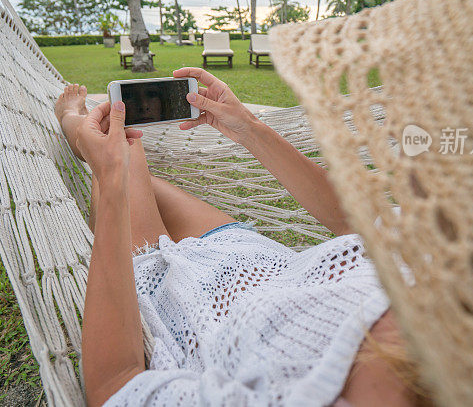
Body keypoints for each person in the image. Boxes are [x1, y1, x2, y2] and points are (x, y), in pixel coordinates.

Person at [54, 68, 426, 407]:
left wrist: (113, 176)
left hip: (175, 300)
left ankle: (75, 125)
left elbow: (115, 388)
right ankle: (89, 145)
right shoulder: (443, 267)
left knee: (126, 157)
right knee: (133, 170)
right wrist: (246, 125)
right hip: (245, 254)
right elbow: (361, 223)